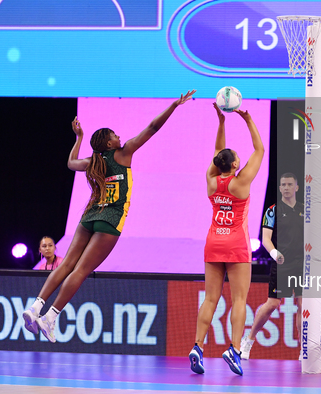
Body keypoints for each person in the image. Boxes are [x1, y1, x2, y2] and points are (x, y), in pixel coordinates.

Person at [22, 91, 196, 341]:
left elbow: (71, 163)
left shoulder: (93, 161)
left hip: (89, 215)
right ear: (108, 142)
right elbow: (153, 127)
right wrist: (174, 105)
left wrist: (78, 137)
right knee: (81, 270)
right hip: (110, 218)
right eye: (115, 135)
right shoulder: (123, 154)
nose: (120, 137)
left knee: (68, 264)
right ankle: (50, 318)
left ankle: (36, 306)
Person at [189, 103, 264, 376]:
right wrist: (248, 119)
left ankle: (197, 346)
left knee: (210, 299)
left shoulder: (211, 180)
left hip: (213, 242)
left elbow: (216, 156)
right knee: (239, 299)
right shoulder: (240, 181)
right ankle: (233, 349)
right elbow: (259, 150)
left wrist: (221, 124)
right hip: (235, 244)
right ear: (234, 165)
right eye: (236, 157)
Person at [240, 173, 304, 360]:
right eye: (283, 184)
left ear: (296, 188)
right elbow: (266, 238)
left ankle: (304, 349)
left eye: (289, 184)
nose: (286, 187)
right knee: (273, 303)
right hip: (281, 263)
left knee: (302, 304)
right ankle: (249, 340)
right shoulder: (272, 211)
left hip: (300, 264)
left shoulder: (304, 210)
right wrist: (275, 253)